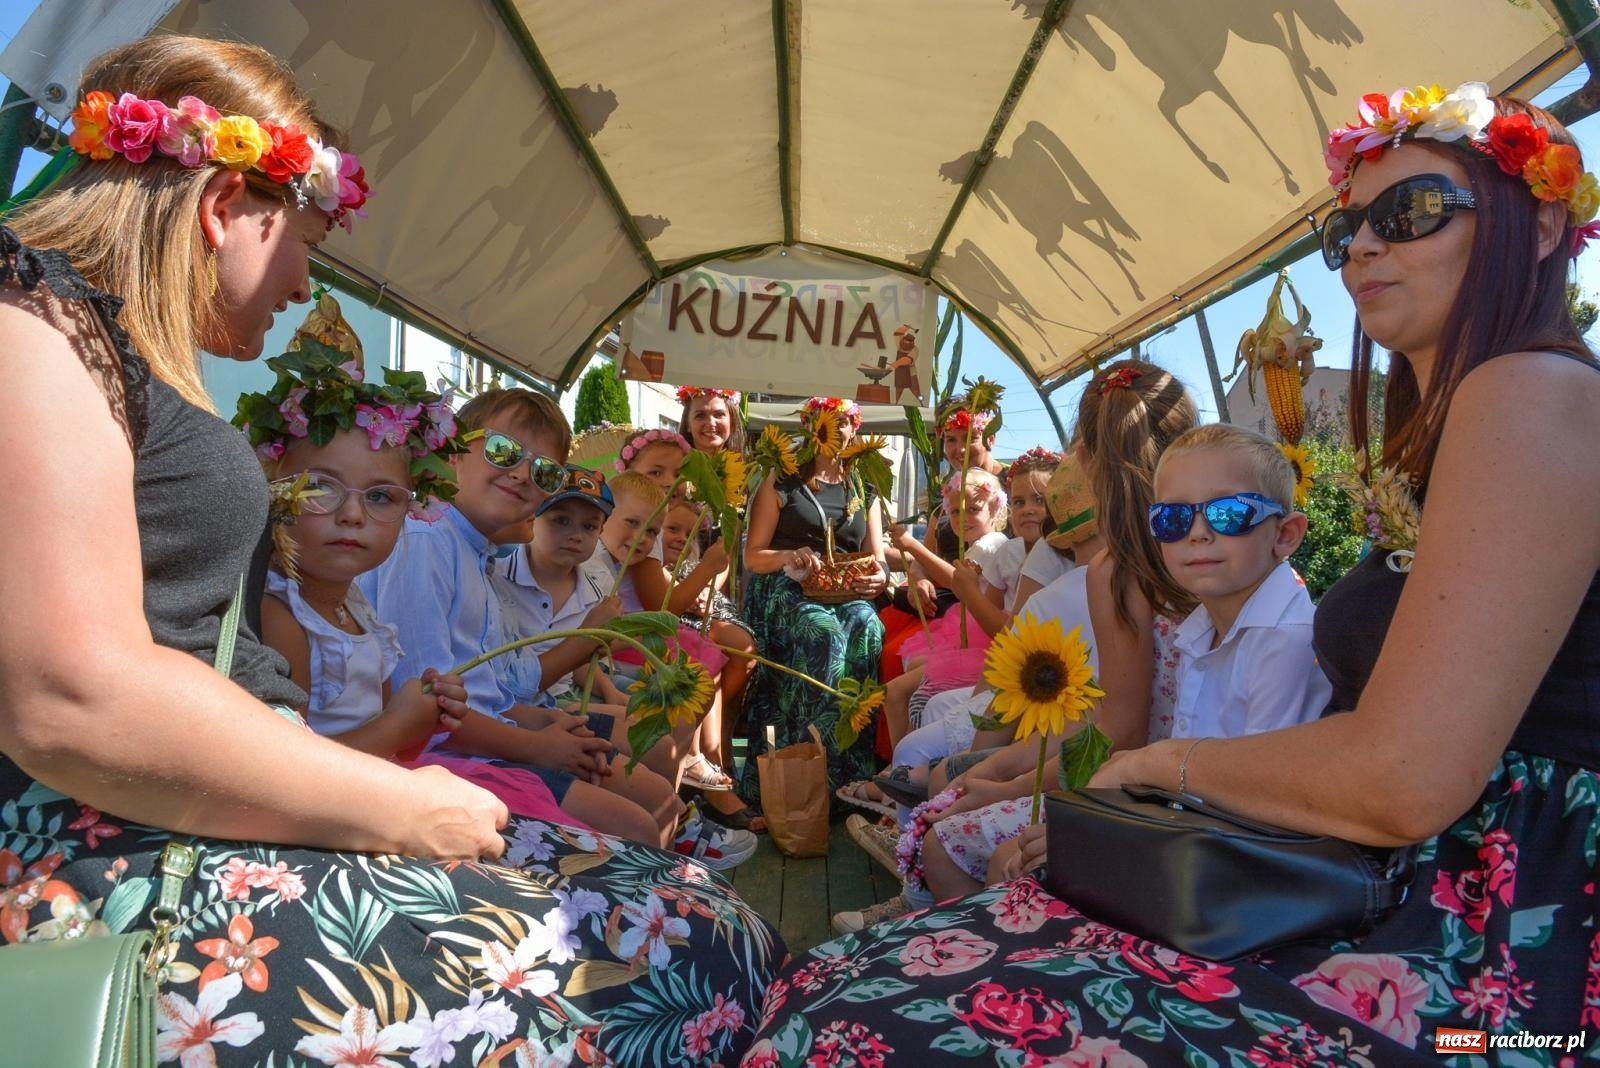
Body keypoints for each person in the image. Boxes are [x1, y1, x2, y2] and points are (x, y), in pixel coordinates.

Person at [749, 82, 1600, 1062]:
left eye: (1410, 212)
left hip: (1500, 966)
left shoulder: (1531, 389)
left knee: (859, 1017)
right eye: (1349, 227)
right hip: (1389, 886)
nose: (1364, 246)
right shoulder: (1474, 419)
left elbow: (1404, 775)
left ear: (1539, 224)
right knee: (875, 987)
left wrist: (1153, 772)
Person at [0, 36, 781, 1065]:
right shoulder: (32, 323)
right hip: (117, 854)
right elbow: (69, 695)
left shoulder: (101, 341)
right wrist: (395, 802)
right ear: (226, 204)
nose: (300, 284)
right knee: (675, 955)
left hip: (199, 817)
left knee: (693, 912)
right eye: (303, 243)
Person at [246, 335, 577, 823]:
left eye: (380, 497)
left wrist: (425, 712)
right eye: (320, 488)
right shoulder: (286, 618)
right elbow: (287, 778)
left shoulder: (355, 610)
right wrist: (407, 723)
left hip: (383, 787)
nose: (353, 514)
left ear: (409, 505)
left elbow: (393, 735)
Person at [360, 388, 687, 847]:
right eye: (502, 451)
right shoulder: (428, 540)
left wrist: (539, 723)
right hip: (446, 760)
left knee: (654, 799)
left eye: (544, 471)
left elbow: (494, 688)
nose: (520, 474)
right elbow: (426, 709)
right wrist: (537, 745)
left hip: (496, 735)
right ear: (453, 451)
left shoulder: (477, 552)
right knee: (639, 822)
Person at [740, 396, 888, 800]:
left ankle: (847, 778)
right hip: (786, 586)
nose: (837, 430)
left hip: (843, 588)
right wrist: (791, 555)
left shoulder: (865, 486)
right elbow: (753, 556)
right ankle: (801, 774)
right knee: (823, 636)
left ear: (856, 428)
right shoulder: (782, 479)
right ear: (810, 428)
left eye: (845, 422)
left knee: (871, 627)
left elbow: (877, 558)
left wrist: (879, 578)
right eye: (827, 422)